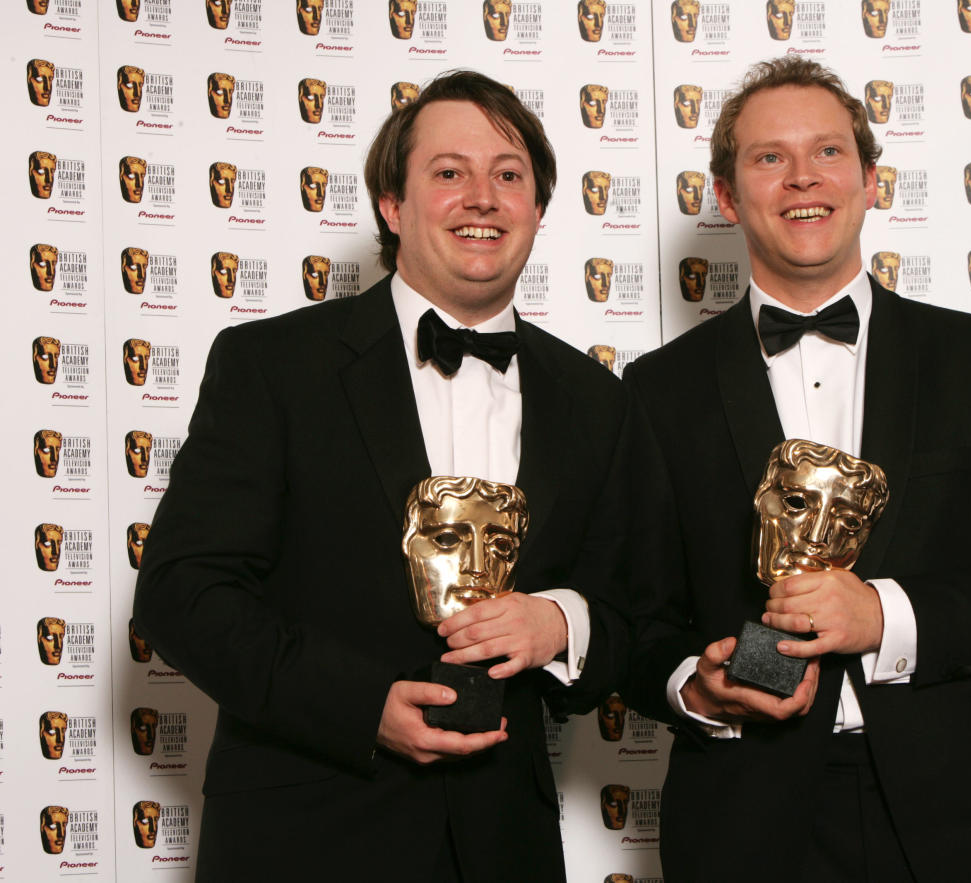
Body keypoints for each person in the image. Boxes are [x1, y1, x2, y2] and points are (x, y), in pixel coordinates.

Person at [134, 70, 630, 881]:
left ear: (538, 210)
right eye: (449, 173)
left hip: (504, 847)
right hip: (304, 838)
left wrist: (561, 624)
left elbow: (632, 615)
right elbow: (183, 592)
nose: (482, 197)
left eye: (508, 175)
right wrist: (363, 707)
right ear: (392, 206)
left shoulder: (597, 401)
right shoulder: (275, 367)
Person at [622, 57, 971, 882]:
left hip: (961, 817)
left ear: (871, 180)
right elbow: (632, 617)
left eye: (829, 152)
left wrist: (882, 614)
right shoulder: (658, 390)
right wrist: (692, 687)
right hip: (744, 821)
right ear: (729, 195)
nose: (803, 176)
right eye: (769, 157)